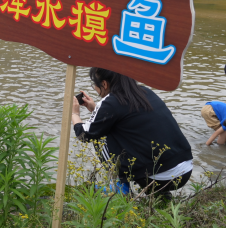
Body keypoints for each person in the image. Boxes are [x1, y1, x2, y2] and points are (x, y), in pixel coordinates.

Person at [72, 68, 193, 196]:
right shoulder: (145, 92)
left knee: (99, 137)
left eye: (95, 85)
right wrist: (96, 109)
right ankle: (161, 195)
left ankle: (120, 190)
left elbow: (84, 134)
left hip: (159, 178)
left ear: (104, 84)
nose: (95, 89)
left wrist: (74, 113)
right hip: (185, 169)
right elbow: (126, 119)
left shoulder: (110, 101)